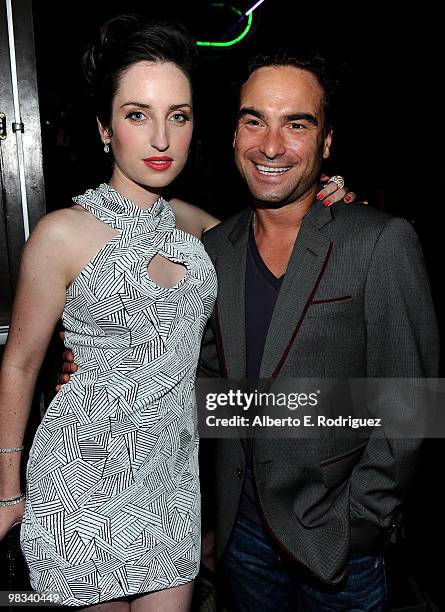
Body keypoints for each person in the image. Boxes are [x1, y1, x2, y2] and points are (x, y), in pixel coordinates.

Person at [0, 16, 350, 612]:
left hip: (173, 492)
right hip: (80, 493)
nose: (161, 138)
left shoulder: (205, 230)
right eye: (137, 114)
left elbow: (278, 235)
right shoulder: (61, 235)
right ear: (105, 129)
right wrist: (7, 492)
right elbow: (21, 363)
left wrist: (323, 193)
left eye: (178, 116)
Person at [194, 52, 439, 610]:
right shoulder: (214, 250)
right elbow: (209, 385)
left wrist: (363, 520)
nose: (271, 145)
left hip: (339, 544)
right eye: (254, 120)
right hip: (242, 537)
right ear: (233, 133)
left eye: (296, 124)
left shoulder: (379, 241)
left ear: (327, 142)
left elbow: (412, 402)